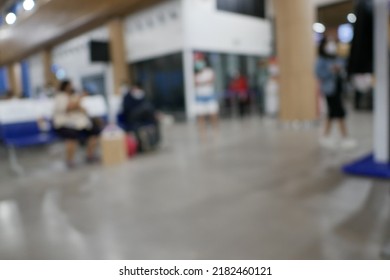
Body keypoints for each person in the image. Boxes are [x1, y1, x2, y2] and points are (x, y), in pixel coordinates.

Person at [316, 37, 356, 149]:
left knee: (332, 113)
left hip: (338, 89)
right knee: (339, 112)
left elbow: (343, 66)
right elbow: (318, 73)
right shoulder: (321, 59)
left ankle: (324, 136)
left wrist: (339, 69)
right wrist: (331, 71)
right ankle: (345, 137)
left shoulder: (335, 58)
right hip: (329, 90)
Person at [53, 80, 101, 168]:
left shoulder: (74, 96)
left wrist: (79, 104)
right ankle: (69, 160)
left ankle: (90, 155)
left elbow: (82, 109)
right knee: (72, 136)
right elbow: (69, 108)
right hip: (64, 124)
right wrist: (80, 98)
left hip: (77, 123)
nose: (72, 87)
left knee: (95, 131)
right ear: (65, 86)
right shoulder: (60, 97)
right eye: (70, 85)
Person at [121, 82, 160, 151]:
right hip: (132, 118)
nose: (136, 90)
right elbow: (126, 110)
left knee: (154, 120)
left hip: (143, 119)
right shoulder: (127, 98)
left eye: (137, 88)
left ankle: (154, 142)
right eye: (135, 88)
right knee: (146, 107)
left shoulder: (142, 97)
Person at [194, 57, 219, 139]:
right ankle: (202, 132)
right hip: (200, 97)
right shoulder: (196, 74)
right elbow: (195, 83)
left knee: (213, 114)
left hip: (209, 96)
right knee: (201, 116)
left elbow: (211, 80)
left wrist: (202, 82)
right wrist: (203, 82)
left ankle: (215, 130)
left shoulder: (209, 71)